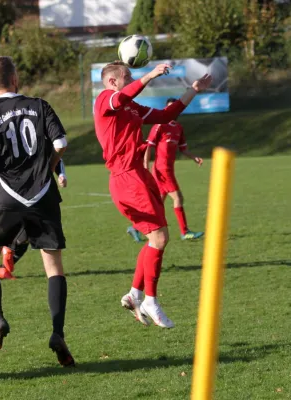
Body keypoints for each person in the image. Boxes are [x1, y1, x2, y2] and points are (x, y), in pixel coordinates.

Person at [0, 56, 74, 367]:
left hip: (5, 197)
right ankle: (57, 333)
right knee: (54, 268)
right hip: (42, 195)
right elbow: (61, 143)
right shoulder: (40, 105)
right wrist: (50, 168)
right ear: (15, 79)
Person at [94, 61, 212, 328]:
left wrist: (193, 90)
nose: (132, 78)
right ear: (112, 81)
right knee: (159, 238)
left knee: (154, 239)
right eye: (127, 76)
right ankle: (150, 299)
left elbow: (165, 114)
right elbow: (124, 95)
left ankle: (135, 294)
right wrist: (151, 74)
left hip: (138, 175)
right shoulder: (105, 100)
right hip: (126, 178)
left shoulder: (130, 107)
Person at [144, 97, 204, 240]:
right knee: (178, 198)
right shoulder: (160, 125)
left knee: (158, 203)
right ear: (165, 110)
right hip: (161, 169)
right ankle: (185, 232)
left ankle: (135, 228)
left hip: (169, 169)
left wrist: (194, 157)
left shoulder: (178, 128)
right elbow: (148, 146)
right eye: (169, 108)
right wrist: (145, 165)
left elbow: (183, 149)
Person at [0, 159, 68, 280]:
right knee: (39, 229)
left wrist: (61, 174)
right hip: (36, 191)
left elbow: (57, 156)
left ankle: (3, 268)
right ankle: (11, 247)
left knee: (31, 230)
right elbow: (58, 149)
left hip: (15, 190)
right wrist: (61, 174)